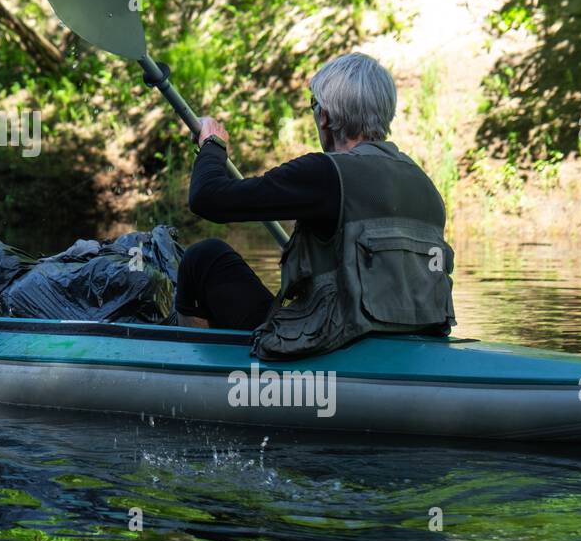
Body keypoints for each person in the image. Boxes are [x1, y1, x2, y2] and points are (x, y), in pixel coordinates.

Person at [177, 52, 456, 359]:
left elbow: (208, 198)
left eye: (314, 106)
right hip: (414, 350)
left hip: (334, 345)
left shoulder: (324, 174)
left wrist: (212, 144)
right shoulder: (425, 185)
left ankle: (195, 378)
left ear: (324, 116)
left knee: (204, 258)